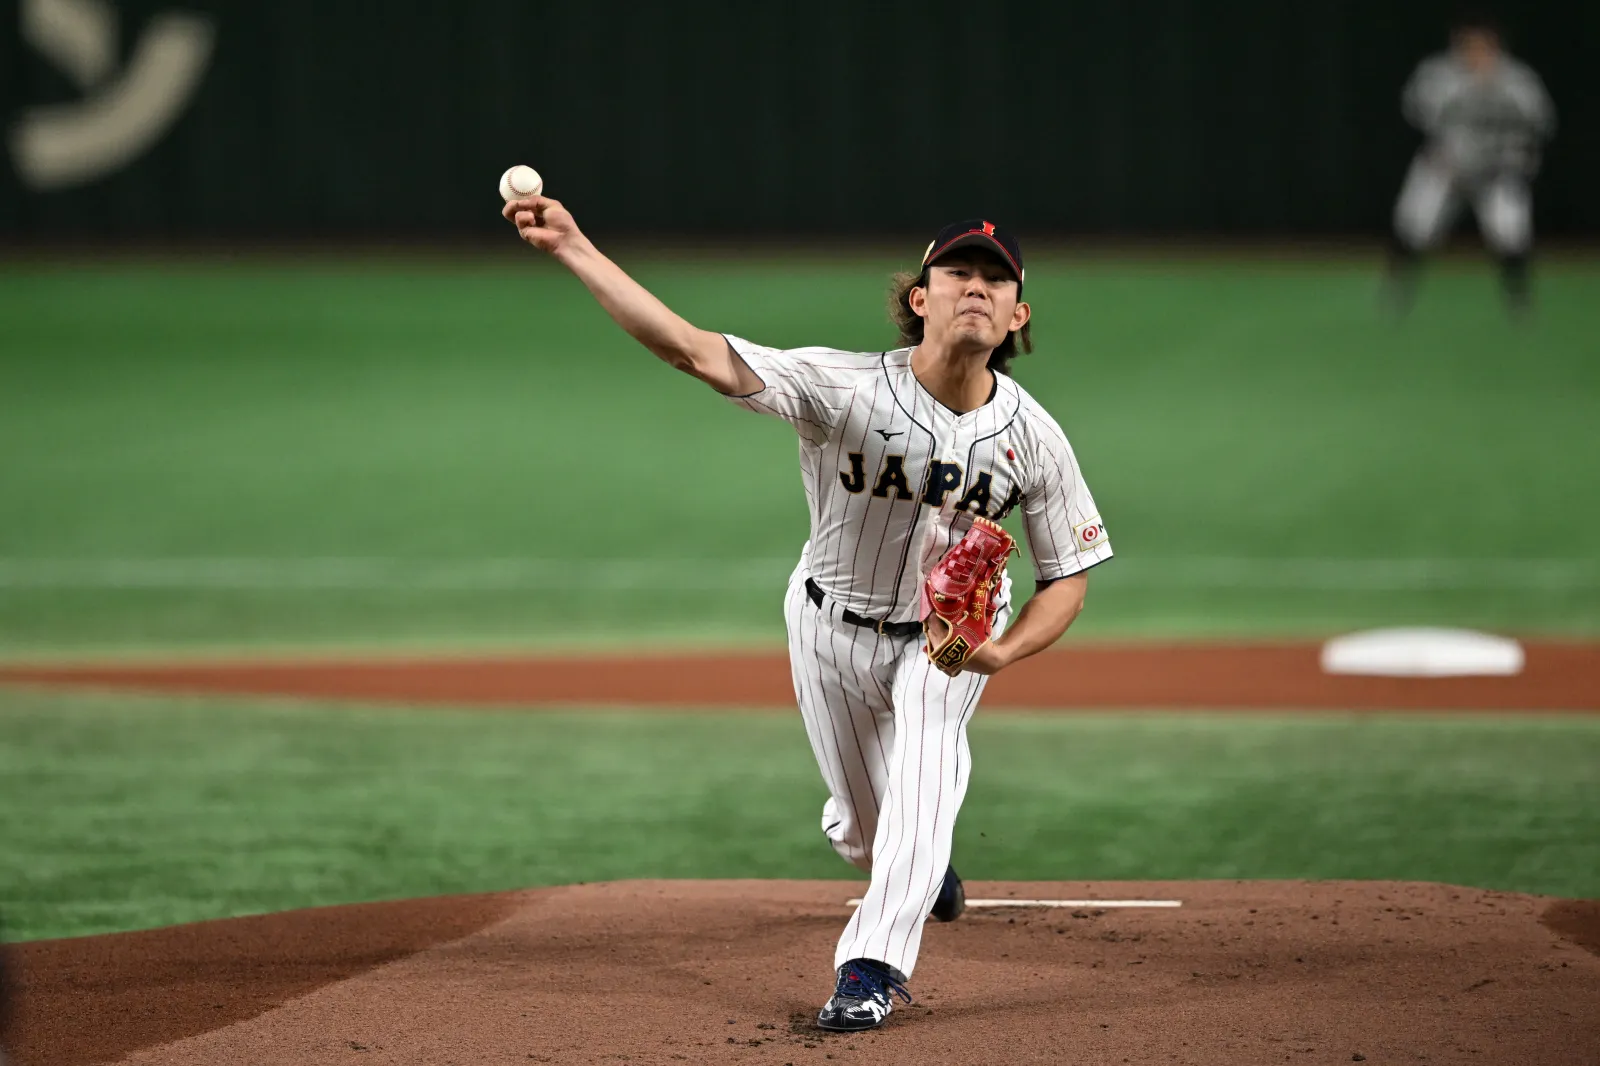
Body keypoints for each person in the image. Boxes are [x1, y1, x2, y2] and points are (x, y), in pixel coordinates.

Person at [501, 200, 1113, 1031]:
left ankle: (870, 969)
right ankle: (916, 867)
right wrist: (574, 246)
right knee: (868, 834)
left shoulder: (1035, 439)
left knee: (928, 784)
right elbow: (691, 350)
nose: (978, 286)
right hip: (828, 625)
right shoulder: (845, 388)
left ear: (1018, 314)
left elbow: (1068, 577)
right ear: (920, 299)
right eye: (958, 273)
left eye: (996, 279)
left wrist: (1001, 652)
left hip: (944, 647)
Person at [1384, 14, 1556, 314]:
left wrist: (1520, 159)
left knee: (1510, 230)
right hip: (1447, 169)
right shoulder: (1438, 76)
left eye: (1482, 45)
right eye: (1469, 44)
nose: (1475, 51)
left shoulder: (1519, 81)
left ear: (1496, 46)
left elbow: (1541, 125)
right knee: (1415, 222)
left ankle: (1518, 297)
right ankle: (1396, 288)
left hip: (1497, 171)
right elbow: (1414, 116)